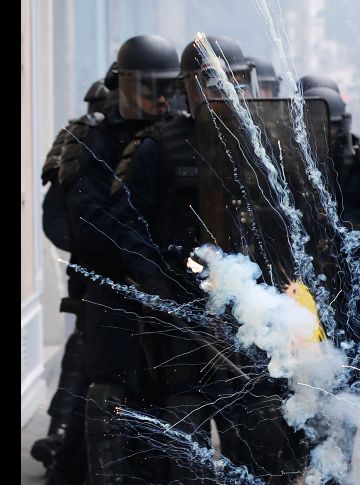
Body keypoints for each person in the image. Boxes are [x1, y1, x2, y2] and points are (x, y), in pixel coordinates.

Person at [110, 34, 307, 483]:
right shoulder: (157, 147)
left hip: (250, 316)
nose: (222, 94)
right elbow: (127, 226)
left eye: (231, 83)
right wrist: (158, 288)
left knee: (262, 436)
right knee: (186, 444)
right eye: (211, 85)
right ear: (190, 89)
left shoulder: (265, 148)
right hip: (182, 319)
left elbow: (295, 222)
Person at [57, 34, 180, 484]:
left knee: (169, 406)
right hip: (113, 290)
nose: (162, 97)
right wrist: (141, 262)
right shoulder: (93, 139)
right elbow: (86, 222)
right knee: (107, 406)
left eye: (169, 86)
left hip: (167, 292)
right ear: (123, 84)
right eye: (149, 87)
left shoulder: (178, 137)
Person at [30, 68, 117, 485]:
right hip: (96, 278)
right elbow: (57, 219)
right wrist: (94, 247)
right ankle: (63, 444)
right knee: (83, 355)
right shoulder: (83, 144)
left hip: (150, 279)